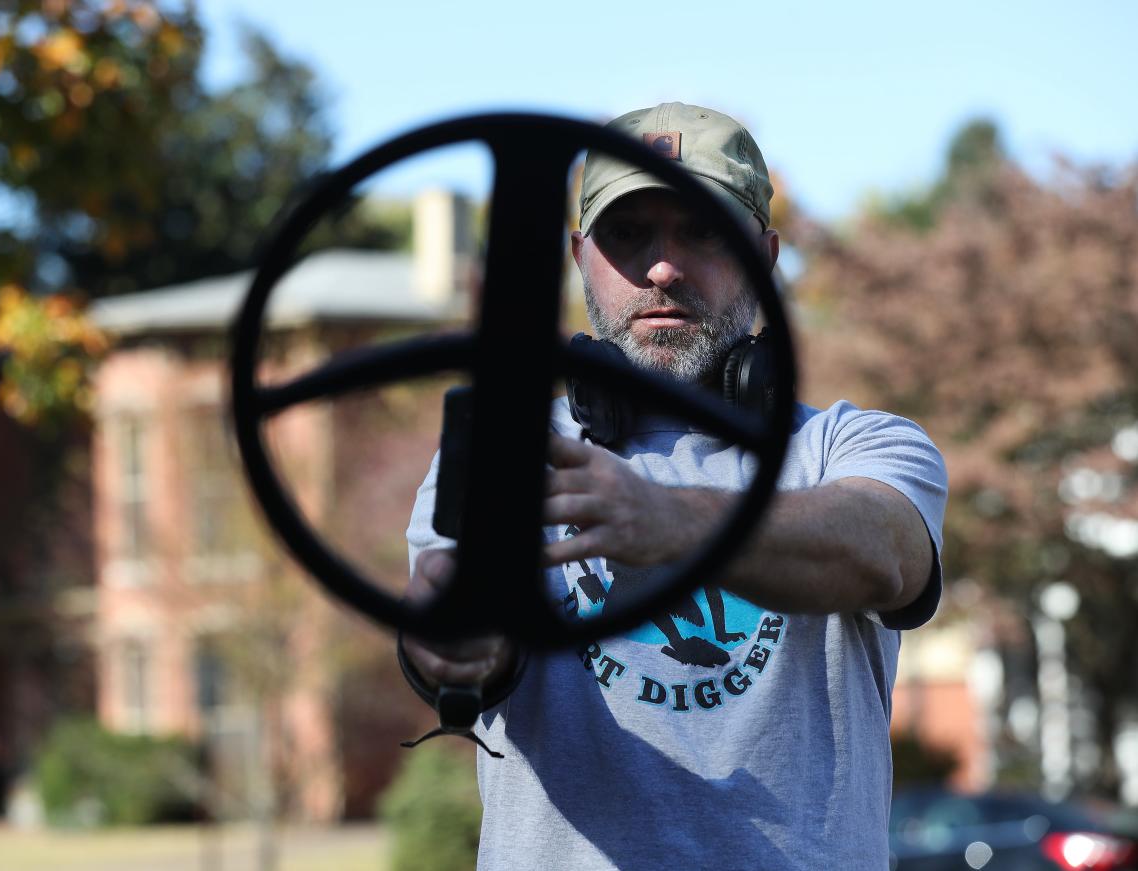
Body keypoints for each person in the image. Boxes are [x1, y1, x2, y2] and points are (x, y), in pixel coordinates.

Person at [400, 102, 947, 871]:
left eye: (702, 231)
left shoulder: (852, 446)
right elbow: (465, 631)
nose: (663, 267)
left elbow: (886, 552)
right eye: (629, 235)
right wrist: (451, 631)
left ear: (766, 254)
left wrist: (669, 520)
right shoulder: (505, 453)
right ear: (578, 256)